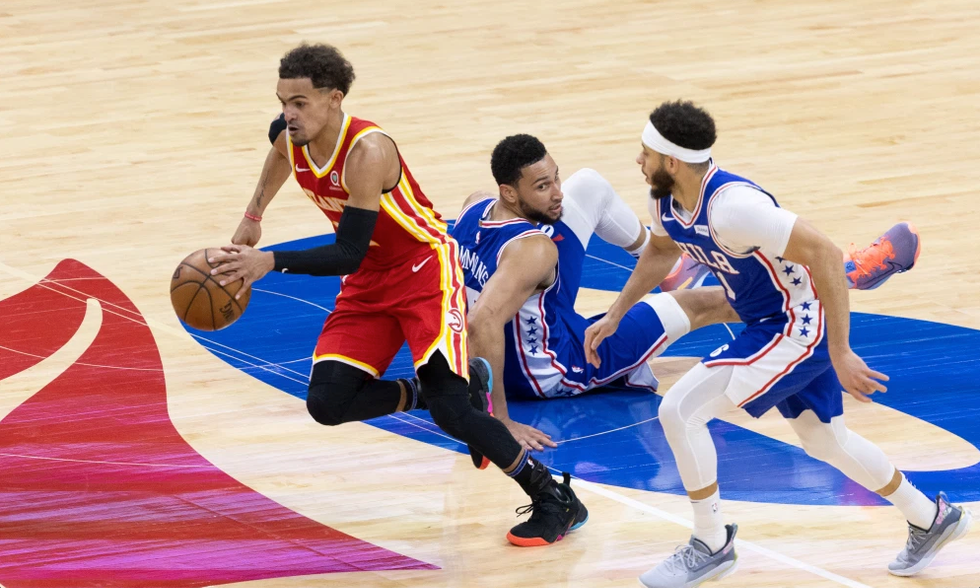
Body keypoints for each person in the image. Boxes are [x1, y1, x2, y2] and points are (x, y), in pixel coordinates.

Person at [208, 43, 587, 547]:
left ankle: (554, 498)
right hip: (370, 278)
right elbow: (279, 153)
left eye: (299, 102)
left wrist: (269, 262)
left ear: (334, 98)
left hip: (423, 273)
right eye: (282, 101)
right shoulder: (290, 135)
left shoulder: (367, 151)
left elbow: (346, 251)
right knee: (326, 402)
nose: (288, 113)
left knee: (456, 415)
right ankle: (424, 392)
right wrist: (253, 216)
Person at [584, 100, 970, 586]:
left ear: (672, 161)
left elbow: (826, 253)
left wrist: (841, 350)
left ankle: (711, 541)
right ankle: (930, 517)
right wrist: (617, 314)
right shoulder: (664, 200)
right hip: (762, 317)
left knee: (679, 410)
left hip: (795, 322)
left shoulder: (734, 207)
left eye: (644, 154)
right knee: (826, 441)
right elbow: (661, 250)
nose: (637, 162)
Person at [456, 133, 921, 454]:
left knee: (590, 186)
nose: (556, 192)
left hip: (534, 324)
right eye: (542, 186)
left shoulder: (475, 207)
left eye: (554, 178)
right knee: (707, 302)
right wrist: (497, 419)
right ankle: (841, 275)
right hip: (553, 367)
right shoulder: (534, 251)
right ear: (510, 193)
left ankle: (673, 264)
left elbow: (466, 309)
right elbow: (483, 323)